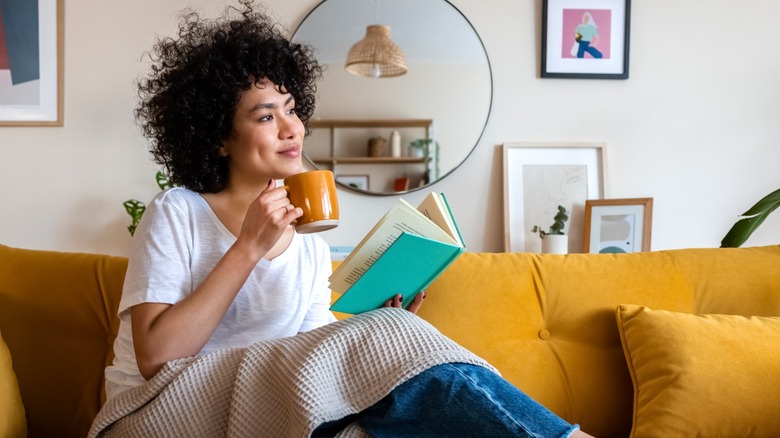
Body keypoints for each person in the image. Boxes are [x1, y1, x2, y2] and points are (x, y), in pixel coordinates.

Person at [102, 2, 593, 437]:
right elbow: (156, 359)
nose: (293, 128)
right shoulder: (179, 212)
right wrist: (248, 247)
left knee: (376, 413)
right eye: (266, 116)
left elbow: (314, 356)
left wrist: (385, 323)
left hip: (257, 408)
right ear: (219, 137)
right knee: (388, 347)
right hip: (155, 412)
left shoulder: (308, 238)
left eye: (291, 109)